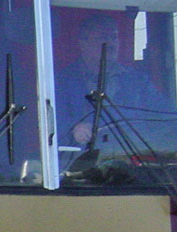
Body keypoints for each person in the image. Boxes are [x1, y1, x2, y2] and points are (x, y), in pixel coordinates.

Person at [55, 13, 168, 147]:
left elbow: (164, 112)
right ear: (83, 42)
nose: (111, 43)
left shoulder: (137, 81)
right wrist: (73, 128)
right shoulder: (63, 82)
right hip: (84, 162)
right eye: (103, 38)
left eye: (114, 37)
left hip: (135, 157)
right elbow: (50, 124)